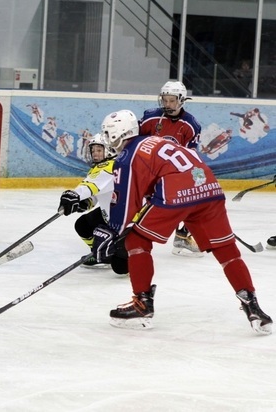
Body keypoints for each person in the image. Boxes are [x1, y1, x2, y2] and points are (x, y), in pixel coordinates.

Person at [91, 109, 272, 335]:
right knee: (226, 249)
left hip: (176, 191)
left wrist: (112, 230)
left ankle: (142, 304)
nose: (107, 138)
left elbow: (127, 200)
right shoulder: (156, 141)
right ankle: (253, 306)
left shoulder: (127, 156)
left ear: (117, 134)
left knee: (136, 240)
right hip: (209, 187)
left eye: (108, 133)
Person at [139, 80, 203, 258]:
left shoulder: (191, 125)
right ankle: (126, 238)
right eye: (165, 100)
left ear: (181, 100)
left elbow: (191, 157)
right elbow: (134, 142)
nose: (167, 104)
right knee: (143, 207)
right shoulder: (150, 118)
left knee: (194, 199)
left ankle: (183, 235)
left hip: (172, 174)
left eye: (172, 100)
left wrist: (198, 177)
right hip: (147, 171)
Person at [58, 133, 126, 273]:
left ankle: (126, 251)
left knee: (120, 268)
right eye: (93, 150)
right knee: (83, 224)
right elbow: (99, 190)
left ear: (109, 150)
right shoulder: (109, 165)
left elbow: (89, 185)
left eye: (99, 150)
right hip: (113, 214)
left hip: (124, 221)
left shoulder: (109, 166)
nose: (95, 154)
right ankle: (100, 254)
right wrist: (86, 202)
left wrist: (74, 195)